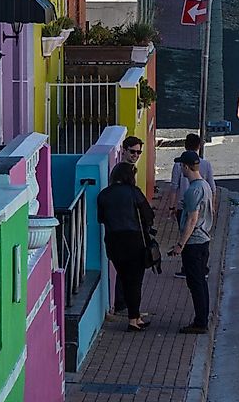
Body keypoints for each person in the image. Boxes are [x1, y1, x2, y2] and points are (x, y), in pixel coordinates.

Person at [97, 162, 154, 331]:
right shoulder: (133, 192)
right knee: (134, 281)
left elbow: (101, 218)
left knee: (124, 277)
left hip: (114, 241)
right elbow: (148, 215)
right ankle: (133, 319)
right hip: (134, 240)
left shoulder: (104, 195)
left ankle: (134, 317)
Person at [169, 150, 215, 334]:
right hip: (203, 239)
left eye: (181, 166)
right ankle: (202, 318)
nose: (181, 169)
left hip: (194, 243)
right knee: (200, 282)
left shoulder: (193, 190)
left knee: (195, 283)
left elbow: (192, 219)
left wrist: (180, 244)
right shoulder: (205, 186)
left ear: (185, 167)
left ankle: (200, 322)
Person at [112, 136, 146, 317]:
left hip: (121, 230)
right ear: (124, 150)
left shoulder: (128, 169)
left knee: (124, 270)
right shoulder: (121, 171)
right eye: (132, 152)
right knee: (128, 272)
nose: (135, 155)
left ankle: (123, 302)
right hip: (125, 230)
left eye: (139, 152)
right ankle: (125, 305)